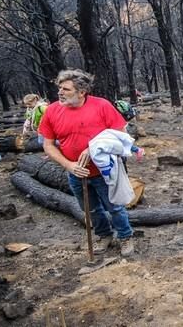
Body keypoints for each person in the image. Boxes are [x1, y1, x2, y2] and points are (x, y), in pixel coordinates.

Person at [38, 69, 135, 257]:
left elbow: (121, 134)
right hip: (76, 172)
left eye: (66, 89)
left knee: (114, 206)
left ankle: (125, 236)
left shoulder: (102, 106)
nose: (60, 92)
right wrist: (68, 165)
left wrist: (94, 147)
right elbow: (48, 145)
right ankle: (104, 235)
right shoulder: (52, 111)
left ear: (81, 92)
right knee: (90, 209)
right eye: (59, 87)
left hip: (105, 170)